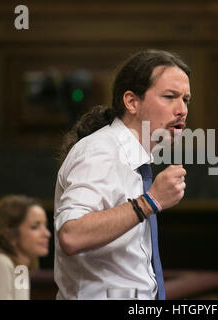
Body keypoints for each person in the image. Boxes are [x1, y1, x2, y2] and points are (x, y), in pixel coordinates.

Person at [54, 49, 190, 300]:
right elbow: (71, 235)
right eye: (170, 96)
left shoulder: (135, 160)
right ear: (131, 102)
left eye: (185, 99)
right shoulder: (100, 151)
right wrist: (150, 201)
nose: (181, 109)